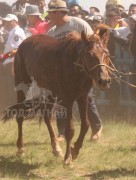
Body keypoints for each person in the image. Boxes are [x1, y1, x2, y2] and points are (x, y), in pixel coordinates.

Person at [46, 0, 102, 141]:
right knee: (60, 101)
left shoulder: (78, 23)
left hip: (82, 71)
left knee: (87, 99)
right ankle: (62, 133)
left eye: (51, 13)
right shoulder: (51, 32)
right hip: (62, 74)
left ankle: (97, 128)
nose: (49, 16)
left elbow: (93, 43)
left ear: (59, 13)